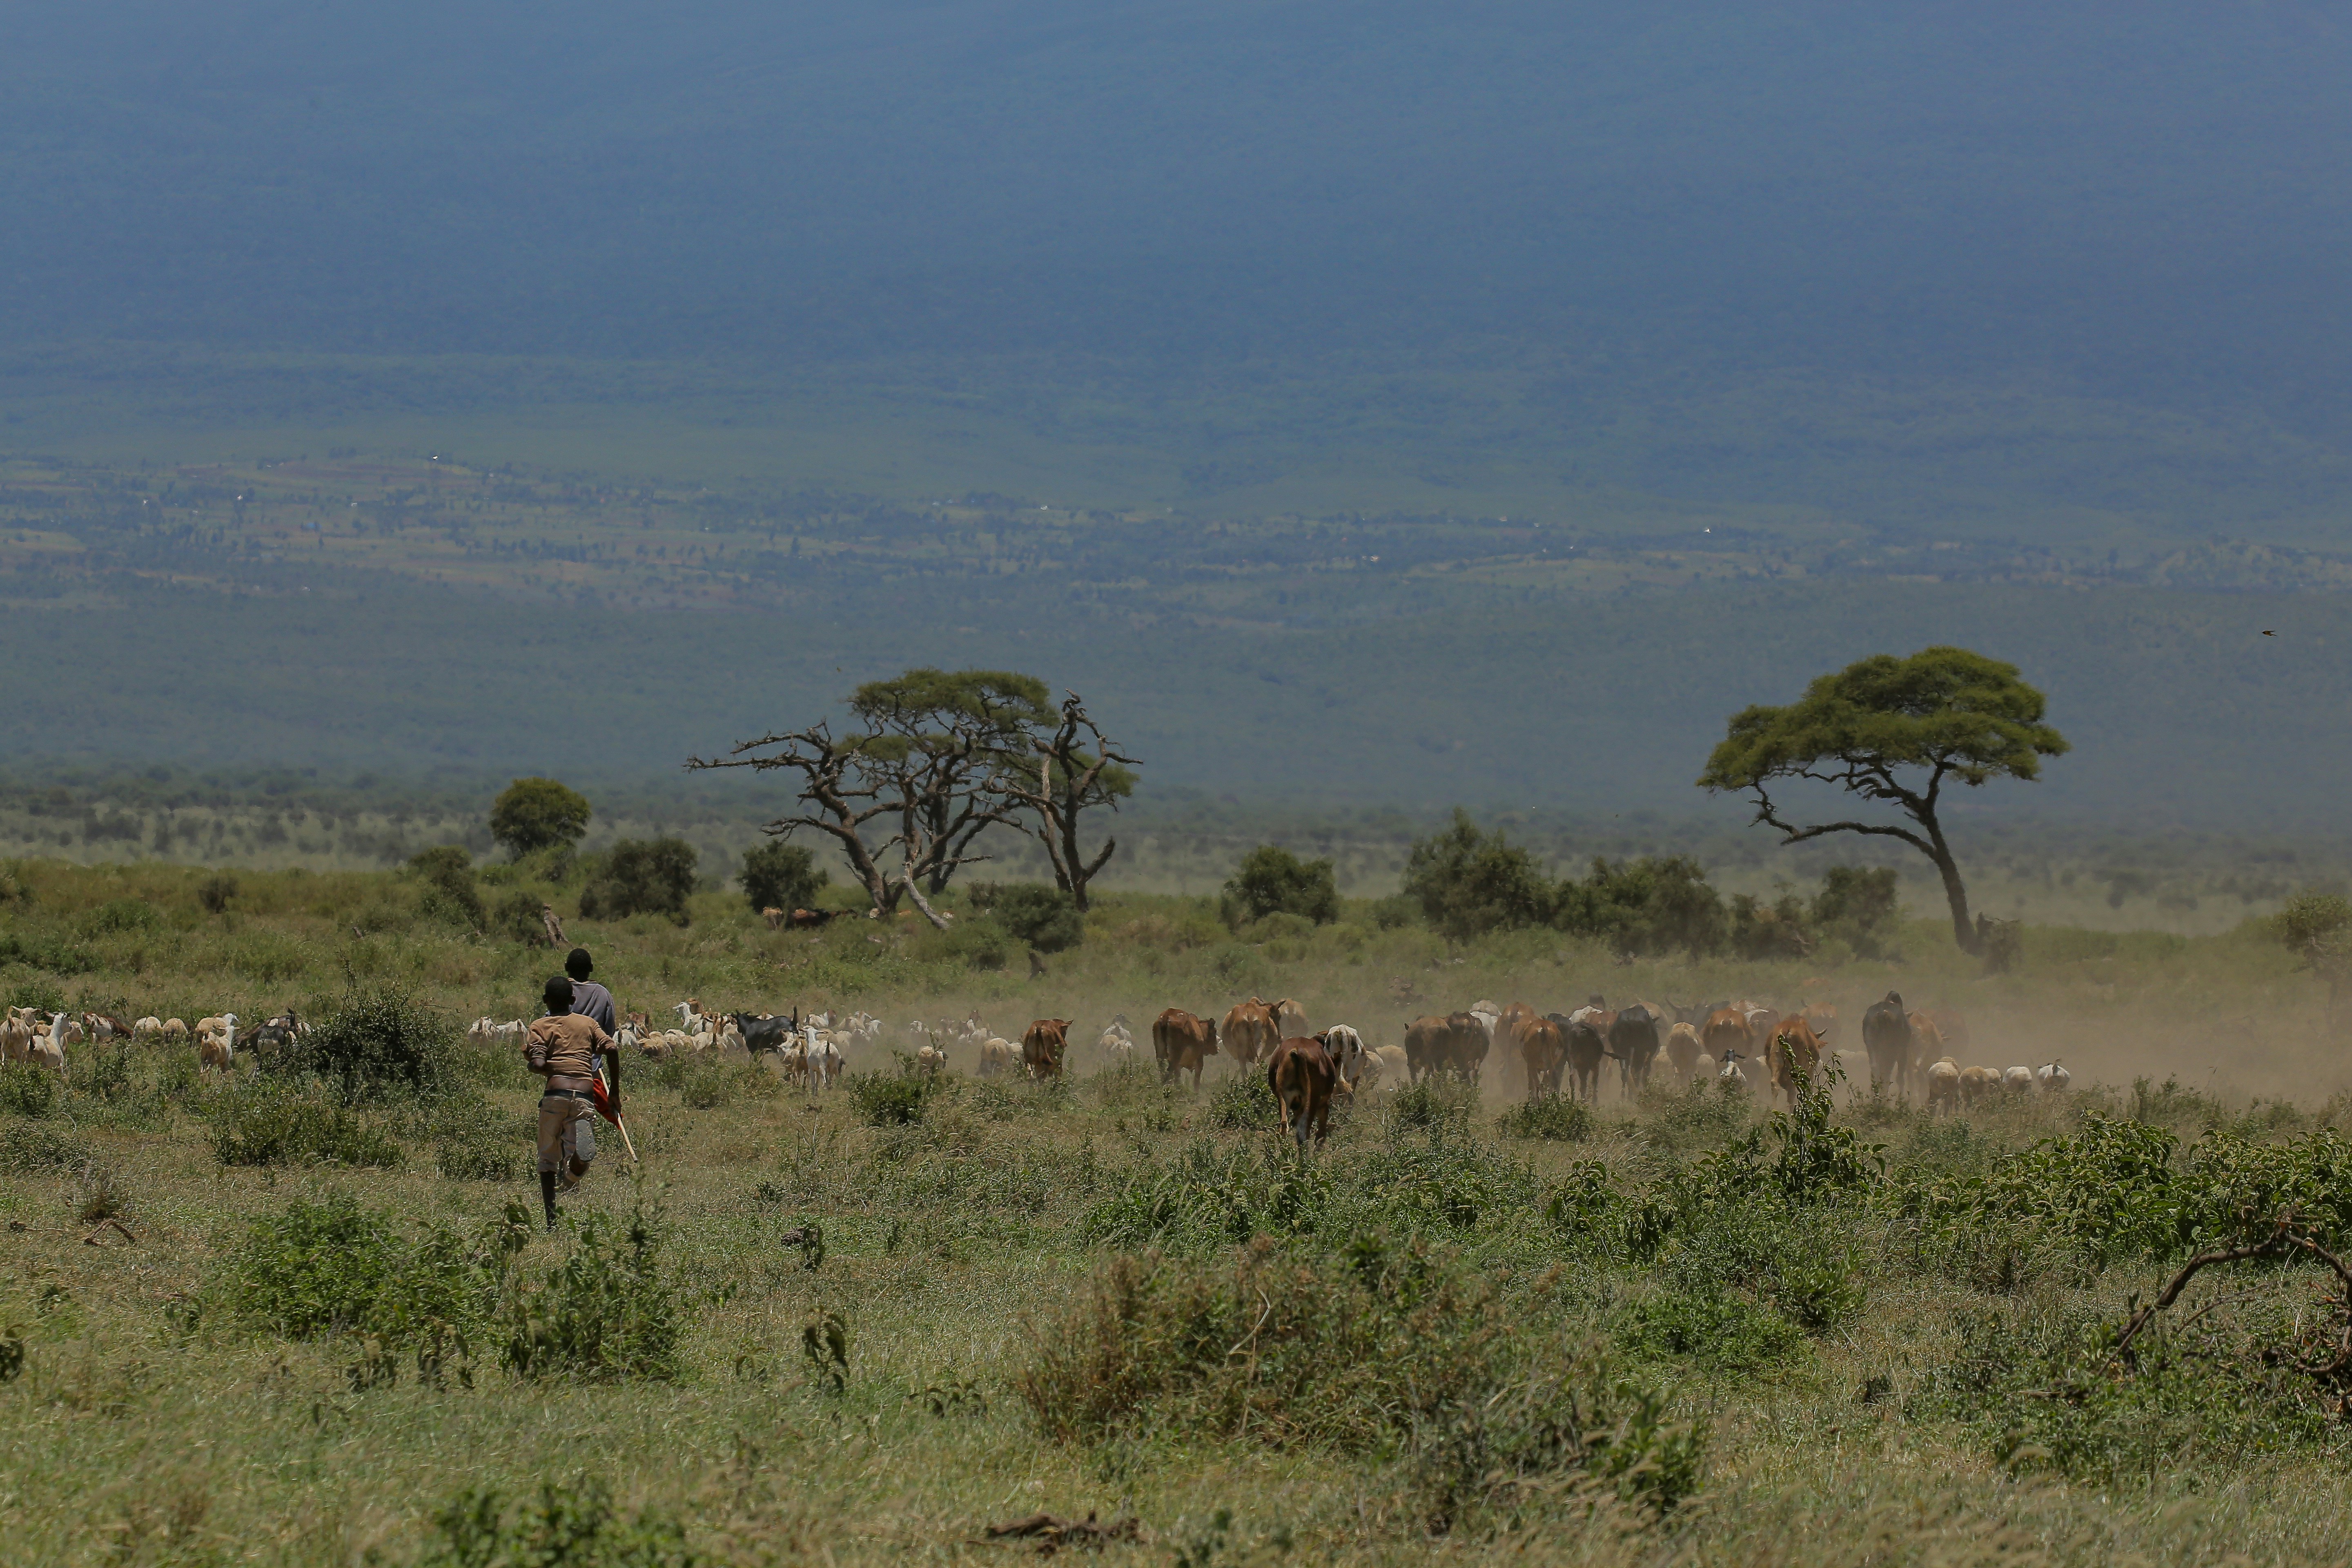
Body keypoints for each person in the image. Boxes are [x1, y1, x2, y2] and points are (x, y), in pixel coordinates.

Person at [523, 974, 618, 1232]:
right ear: (573, 1000)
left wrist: (539, 1066)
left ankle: (551, 1222)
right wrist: (614, 1095)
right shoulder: (587, 1024)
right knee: (578, 1154)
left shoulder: (539, 1026)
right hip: (585, 1096)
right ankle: (574, 1171)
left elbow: (540, 1063)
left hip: (555, 1095)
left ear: (545, 1001)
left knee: (547, 1160)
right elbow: (611, 1049)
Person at [564, 947, 616, 1033]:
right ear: (591, 968)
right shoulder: (602, 993)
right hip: (594, 1044)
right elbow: (610, 1030)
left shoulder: (560, 991)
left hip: (564, 1044)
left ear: (566, 967)